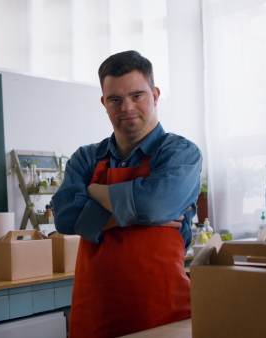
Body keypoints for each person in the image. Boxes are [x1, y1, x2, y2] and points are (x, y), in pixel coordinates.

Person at [52, 50, 202, 338]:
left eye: (137, 95)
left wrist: (95, 192)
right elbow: (65, 218)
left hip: (163, 315)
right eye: (115, 99)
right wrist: (139, 215)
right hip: (94, 314)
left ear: (155, 95)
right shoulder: (86, 158)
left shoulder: (179, 153)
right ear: (104, 103)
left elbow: (155, 206)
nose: (127, 107)